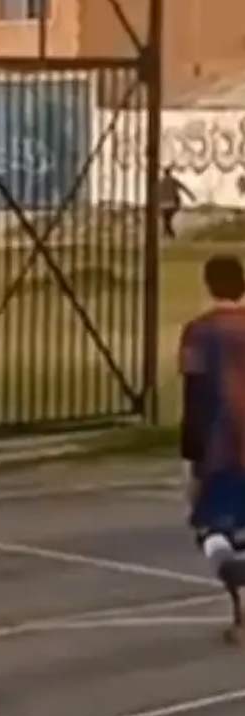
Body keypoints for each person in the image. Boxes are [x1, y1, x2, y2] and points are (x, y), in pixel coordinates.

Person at [180, 254, 245, 641]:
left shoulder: (200, 333)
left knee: (211, 530)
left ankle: (239, 592)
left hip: (221, 447)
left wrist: (191, 454)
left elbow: (195, 396)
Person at [159, 166, 196, 239]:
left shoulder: (161, 181)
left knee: (166, 219)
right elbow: (183, 187)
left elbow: (156, 193)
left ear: (164, 173)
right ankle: (170, 234)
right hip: (173, 203)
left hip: (163, 204)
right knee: (167, 219)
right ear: (170, 173)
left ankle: (167, 234)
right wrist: (191, 196)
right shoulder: (173, 180)